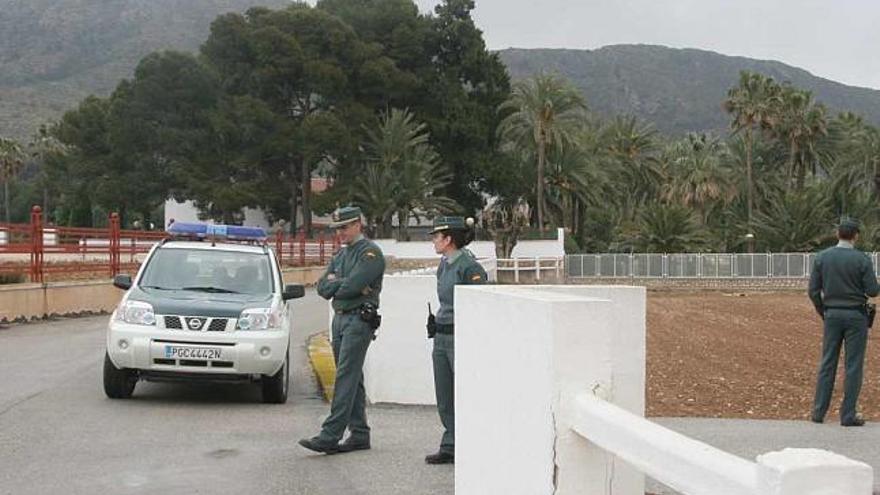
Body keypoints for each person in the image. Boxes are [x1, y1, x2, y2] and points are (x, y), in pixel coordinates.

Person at [299, 206, 386, 454]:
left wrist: (338, 282)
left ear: (358, 224)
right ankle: (359, 433)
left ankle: (330, 434)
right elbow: (323, 288)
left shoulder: (370, 253)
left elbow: (351, 286)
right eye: (338, 229)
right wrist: (340, 283)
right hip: (340, 319)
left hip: (359, 319)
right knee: (352, 377)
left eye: (345, 227)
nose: (341, 233)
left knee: (346, 376)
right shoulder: (342, 254)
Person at [425, 216, 487, 464]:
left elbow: (477, 303)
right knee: (444, 394)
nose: (434, 241)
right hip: (441, 335)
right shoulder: (444, 264)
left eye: (436, 237)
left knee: (462, 392)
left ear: (449, 239)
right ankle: (451, 443)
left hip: (458, 336)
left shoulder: (468, 267)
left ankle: (464, 444)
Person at [808, 217, 880, 426]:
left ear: (838, 234)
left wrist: (824, 311)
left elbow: (813, 290)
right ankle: (848, 414)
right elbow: (872, 291)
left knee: (828, 361)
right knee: (853, 365)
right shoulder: (862, 259)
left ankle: (818, 412)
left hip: (832, 314)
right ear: (856, 236)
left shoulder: (822, 258)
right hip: (856, 316)